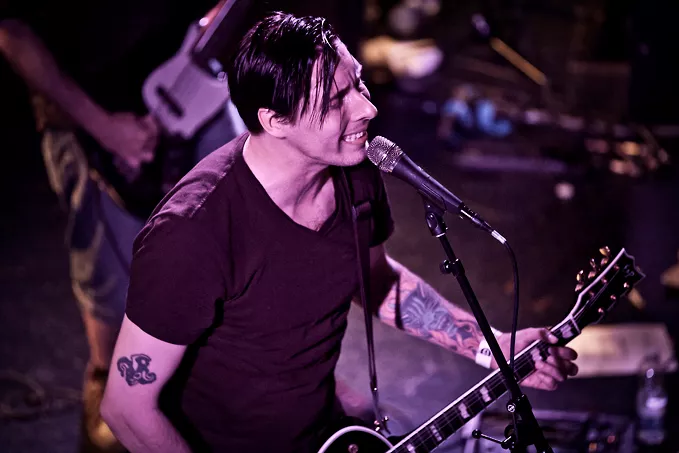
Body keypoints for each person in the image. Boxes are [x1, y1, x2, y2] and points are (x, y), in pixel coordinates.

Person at [100, 12, 578, 453]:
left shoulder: (354, 168)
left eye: (359, 83)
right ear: (275, 120)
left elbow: (377, 281)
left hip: (323, 433)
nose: (366, 108)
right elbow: (126, 408)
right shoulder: (192, 234)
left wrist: (490, 348)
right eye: (335, 102)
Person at [0, 1, 244, 451]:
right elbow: (13, 31)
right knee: (114, 291)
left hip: (191, 82)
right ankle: (106, 397)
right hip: (90, 116)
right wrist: (104, 128)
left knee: (244, 235)